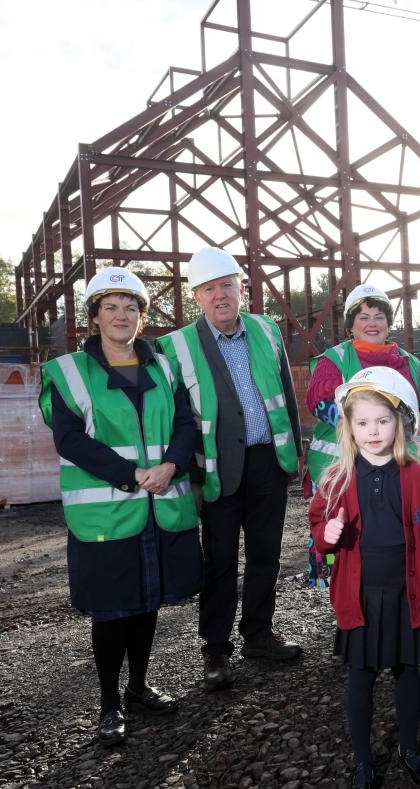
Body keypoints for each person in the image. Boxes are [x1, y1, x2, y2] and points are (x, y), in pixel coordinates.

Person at [40, 268, 202, 746]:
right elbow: (70, 440)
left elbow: (185, 425)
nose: (121, 315)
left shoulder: (163, 367)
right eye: (110, 307)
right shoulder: (69, 372)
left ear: (141, 316)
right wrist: (130, 473)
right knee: (112, 611)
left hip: (158, 506)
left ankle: (138, 688)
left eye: (131, 307)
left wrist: (172, 465)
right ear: (94, 317)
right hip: (107, 514)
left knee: (146, 603)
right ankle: (109, 704)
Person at [157, 246, 303, 692]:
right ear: (196, 298)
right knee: (219, 562)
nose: (219, 295)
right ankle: (216, 649)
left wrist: (294, 451)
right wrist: (190, 478)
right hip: (216, 470)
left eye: (226, 285)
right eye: (208, 289)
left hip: (267, 462)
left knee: (266, 555)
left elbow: (285, 393)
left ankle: (258, 634)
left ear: (242, 288)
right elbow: (177, 420)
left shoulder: (265, 329)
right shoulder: (175, 346)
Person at [308, 367, 420, 789]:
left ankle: (409, 748)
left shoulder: (417, 477)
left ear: (401, 423)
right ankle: (363, 762)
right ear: (349, 427)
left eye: (383, 421)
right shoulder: (336, 479)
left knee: (408, 673)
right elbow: (318, 530)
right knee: (362, 677)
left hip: (408, 593)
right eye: (363, 422)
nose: (373, 432)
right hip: (362, 596)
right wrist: (326, 536)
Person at [305, 283, 420, 585]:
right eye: (363, 317)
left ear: (388, 323)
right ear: (351, 325)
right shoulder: (335, 360)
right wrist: (357, 427)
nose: (372, 323)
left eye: (379, 316)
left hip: (398, 466)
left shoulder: (410, 363)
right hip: (345, 469)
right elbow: (319, 399)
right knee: (347, 537)